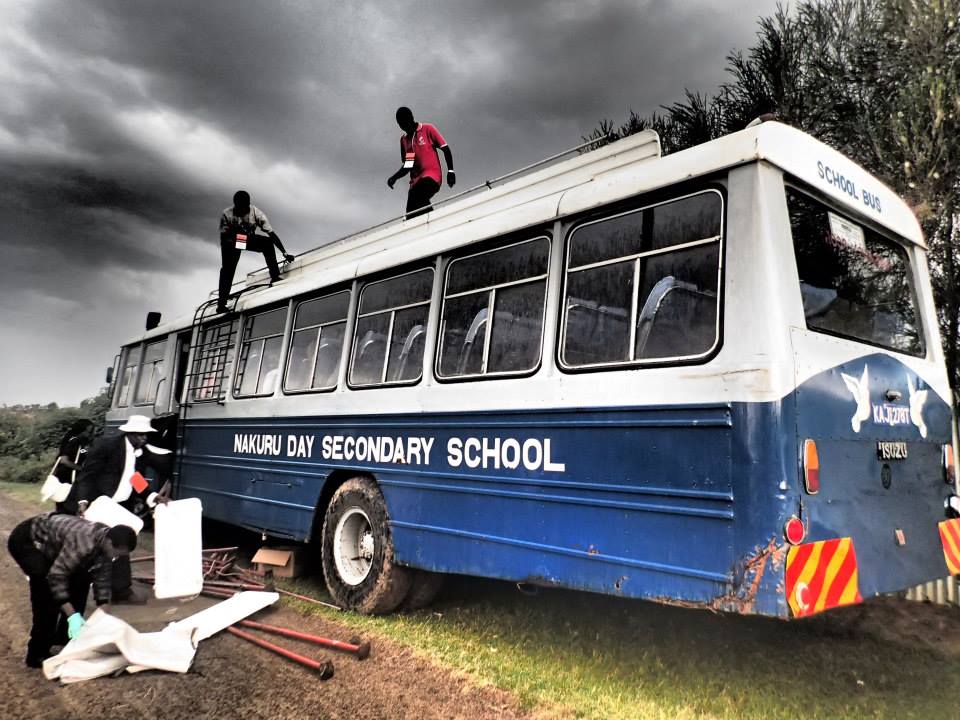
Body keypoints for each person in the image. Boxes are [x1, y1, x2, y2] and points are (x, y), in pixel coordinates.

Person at [7, 512, 137, 668]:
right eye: (116, 553)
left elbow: (102, 576)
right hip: (29, 541)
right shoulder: (83, 542)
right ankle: (37, 653)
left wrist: (104, 615)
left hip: (57, 542)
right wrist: (72, 615)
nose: (116, 557)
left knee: (81, 580)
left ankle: (64, 638)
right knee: (45, 590)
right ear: (109, 543)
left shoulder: (106, 542)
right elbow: (56, 576)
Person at [71, 415, 171, 600]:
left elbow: (136, 479)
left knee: (121, 544)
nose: (144, 439)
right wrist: (83, 501)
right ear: (129, 433)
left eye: (146, 435)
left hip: (120, 507)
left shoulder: (142, 452)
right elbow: (87, 475)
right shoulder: (106, 446)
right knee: (93, 547)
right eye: (140, 435)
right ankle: (79, 583)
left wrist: (152, 496)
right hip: (98, 504)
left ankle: (121, 591)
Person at [217, 190, 295, 313]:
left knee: (267, 243)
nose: (242, 212)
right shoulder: (227, 214)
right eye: (239, 209)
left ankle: (274, 276)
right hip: (230, 242)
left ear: (248, 205)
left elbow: (271, 234)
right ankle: (221, 303)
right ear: (235, 206)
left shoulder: (256, 213)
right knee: (228, 269)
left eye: (244, 209)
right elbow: (224, 238)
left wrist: (284, 253)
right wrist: (229, 257)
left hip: (244, 239)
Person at [387, 107, 455, 219]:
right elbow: (409, 164)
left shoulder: (427, 129)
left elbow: (445, 149)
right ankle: (426, 226)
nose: (404, 127)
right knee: (411, 214)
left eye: (405, 122)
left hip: (431, 176)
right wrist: (394, 177)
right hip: (415, 183)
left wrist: (451, 171)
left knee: (418, 194)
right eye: (400, 124)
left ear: (411, 118)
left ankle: (433, 220)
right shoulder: (405, 140)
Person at [50, 419, 95, 515]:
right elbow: (64, 460)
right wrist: (81, 469)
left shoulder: (83, 441)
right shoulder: (74, 441)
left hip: (73, 478)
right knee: (66, 505)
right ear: (81, 430)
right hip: (67, 477)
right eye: (89, 431)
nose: (90, 434)